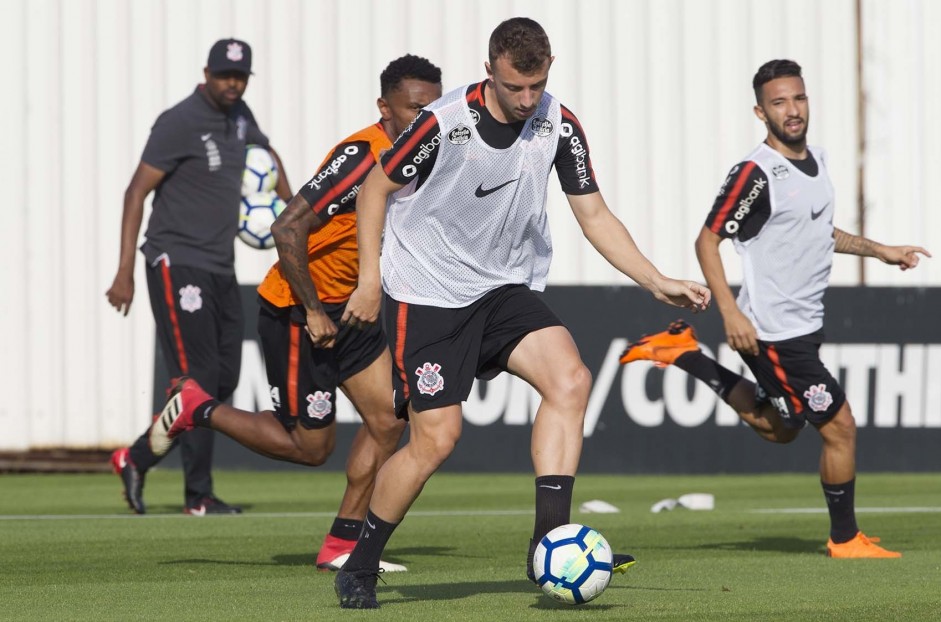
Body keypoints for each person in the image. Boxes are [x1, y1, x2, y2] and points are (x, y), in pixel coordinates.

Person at [332, 18, 711, 609]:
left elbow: (595, 215)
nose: (528, 100)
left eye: (537, 86)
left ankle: (546, 544)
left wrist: (656, 279)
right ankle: (360, 563)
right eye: (516, 88)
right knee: (437, 439)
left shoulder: (558, 124)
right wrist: (369, 280)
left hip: (503, 287)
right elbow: (374, 190)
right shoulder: (443, 124)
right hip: (428, 290)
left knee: (571, 379)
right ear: (490, 72)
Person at [620, 59, 930, 558]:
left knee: (781, 427)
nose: (792, 110)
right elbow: (706, 241)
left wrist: (881, 250)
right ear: (760, 112)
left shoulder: (819, 161)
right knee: (840, 426)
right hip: (772, 330)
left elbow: (818, 232)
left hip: (804, 325)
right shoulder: (755, 173)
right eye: (779, 102)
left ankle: (682, 353)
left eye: (799, 98)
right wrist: (731, 313)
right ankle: (845, 538)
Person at [146, 56, 443, 570]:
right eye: (414, 109)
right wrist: (312, 310)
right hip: (298, 311)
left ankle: (342, 545)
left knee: (388, 423)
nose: (426, 121)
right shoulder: (360, 155)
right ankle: (198, 406)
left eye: (433, 109)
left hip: (354, 310)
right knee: (310, 448)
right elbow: (287, 227)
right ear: (384, 108)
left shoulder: (424, 157)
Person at [106, 38, 292, 516]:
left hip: (219, 264)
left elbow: (267, 159)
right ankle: (198, 495)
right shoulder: (178, 122)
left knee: (223, 379)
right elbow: (135, 193)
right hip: (174, 260)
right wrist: (124, 271)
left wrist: (294, 212)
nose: (232, 84)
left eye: (241, 77)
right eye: (224, 75)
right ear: (206, 73)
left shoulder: (241, 115)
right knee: (200, 380)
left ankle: (137, 457)